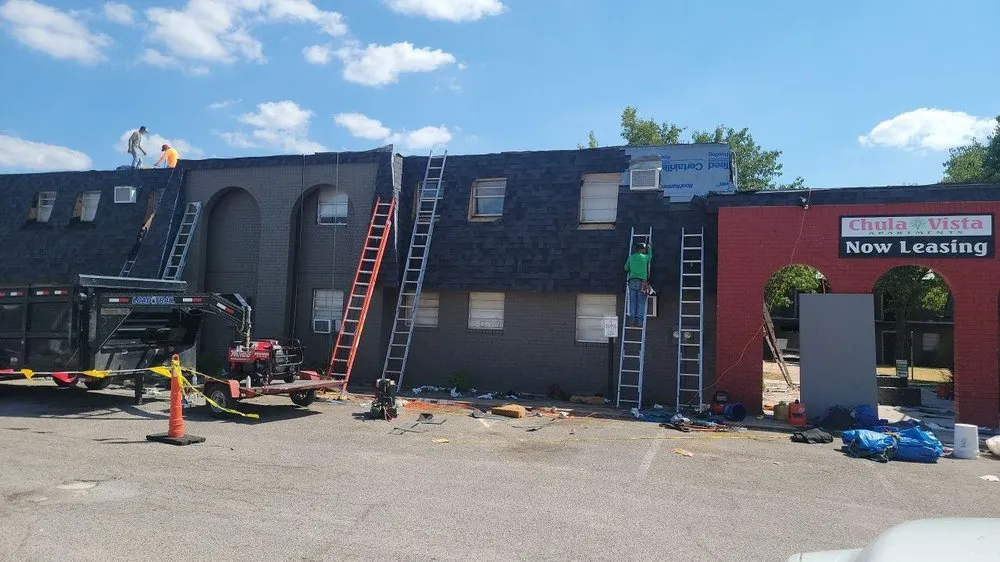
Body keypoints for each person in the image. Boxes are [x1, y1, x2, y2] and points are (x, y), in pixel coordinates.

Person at [623, 241, 652, 325]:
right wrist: (650, 249)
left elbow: (625, 268)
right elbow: (650, 256)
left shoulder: (630, 257)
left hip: (632, 281)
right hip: (642, 282)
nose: (644, 250)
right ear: (641, 249)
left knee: (632, 302)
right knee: (641, 302)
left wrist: (633, 268)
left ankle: (632, 320)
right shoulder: (644, 257)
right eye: (644, 249)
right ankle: (639, 321)